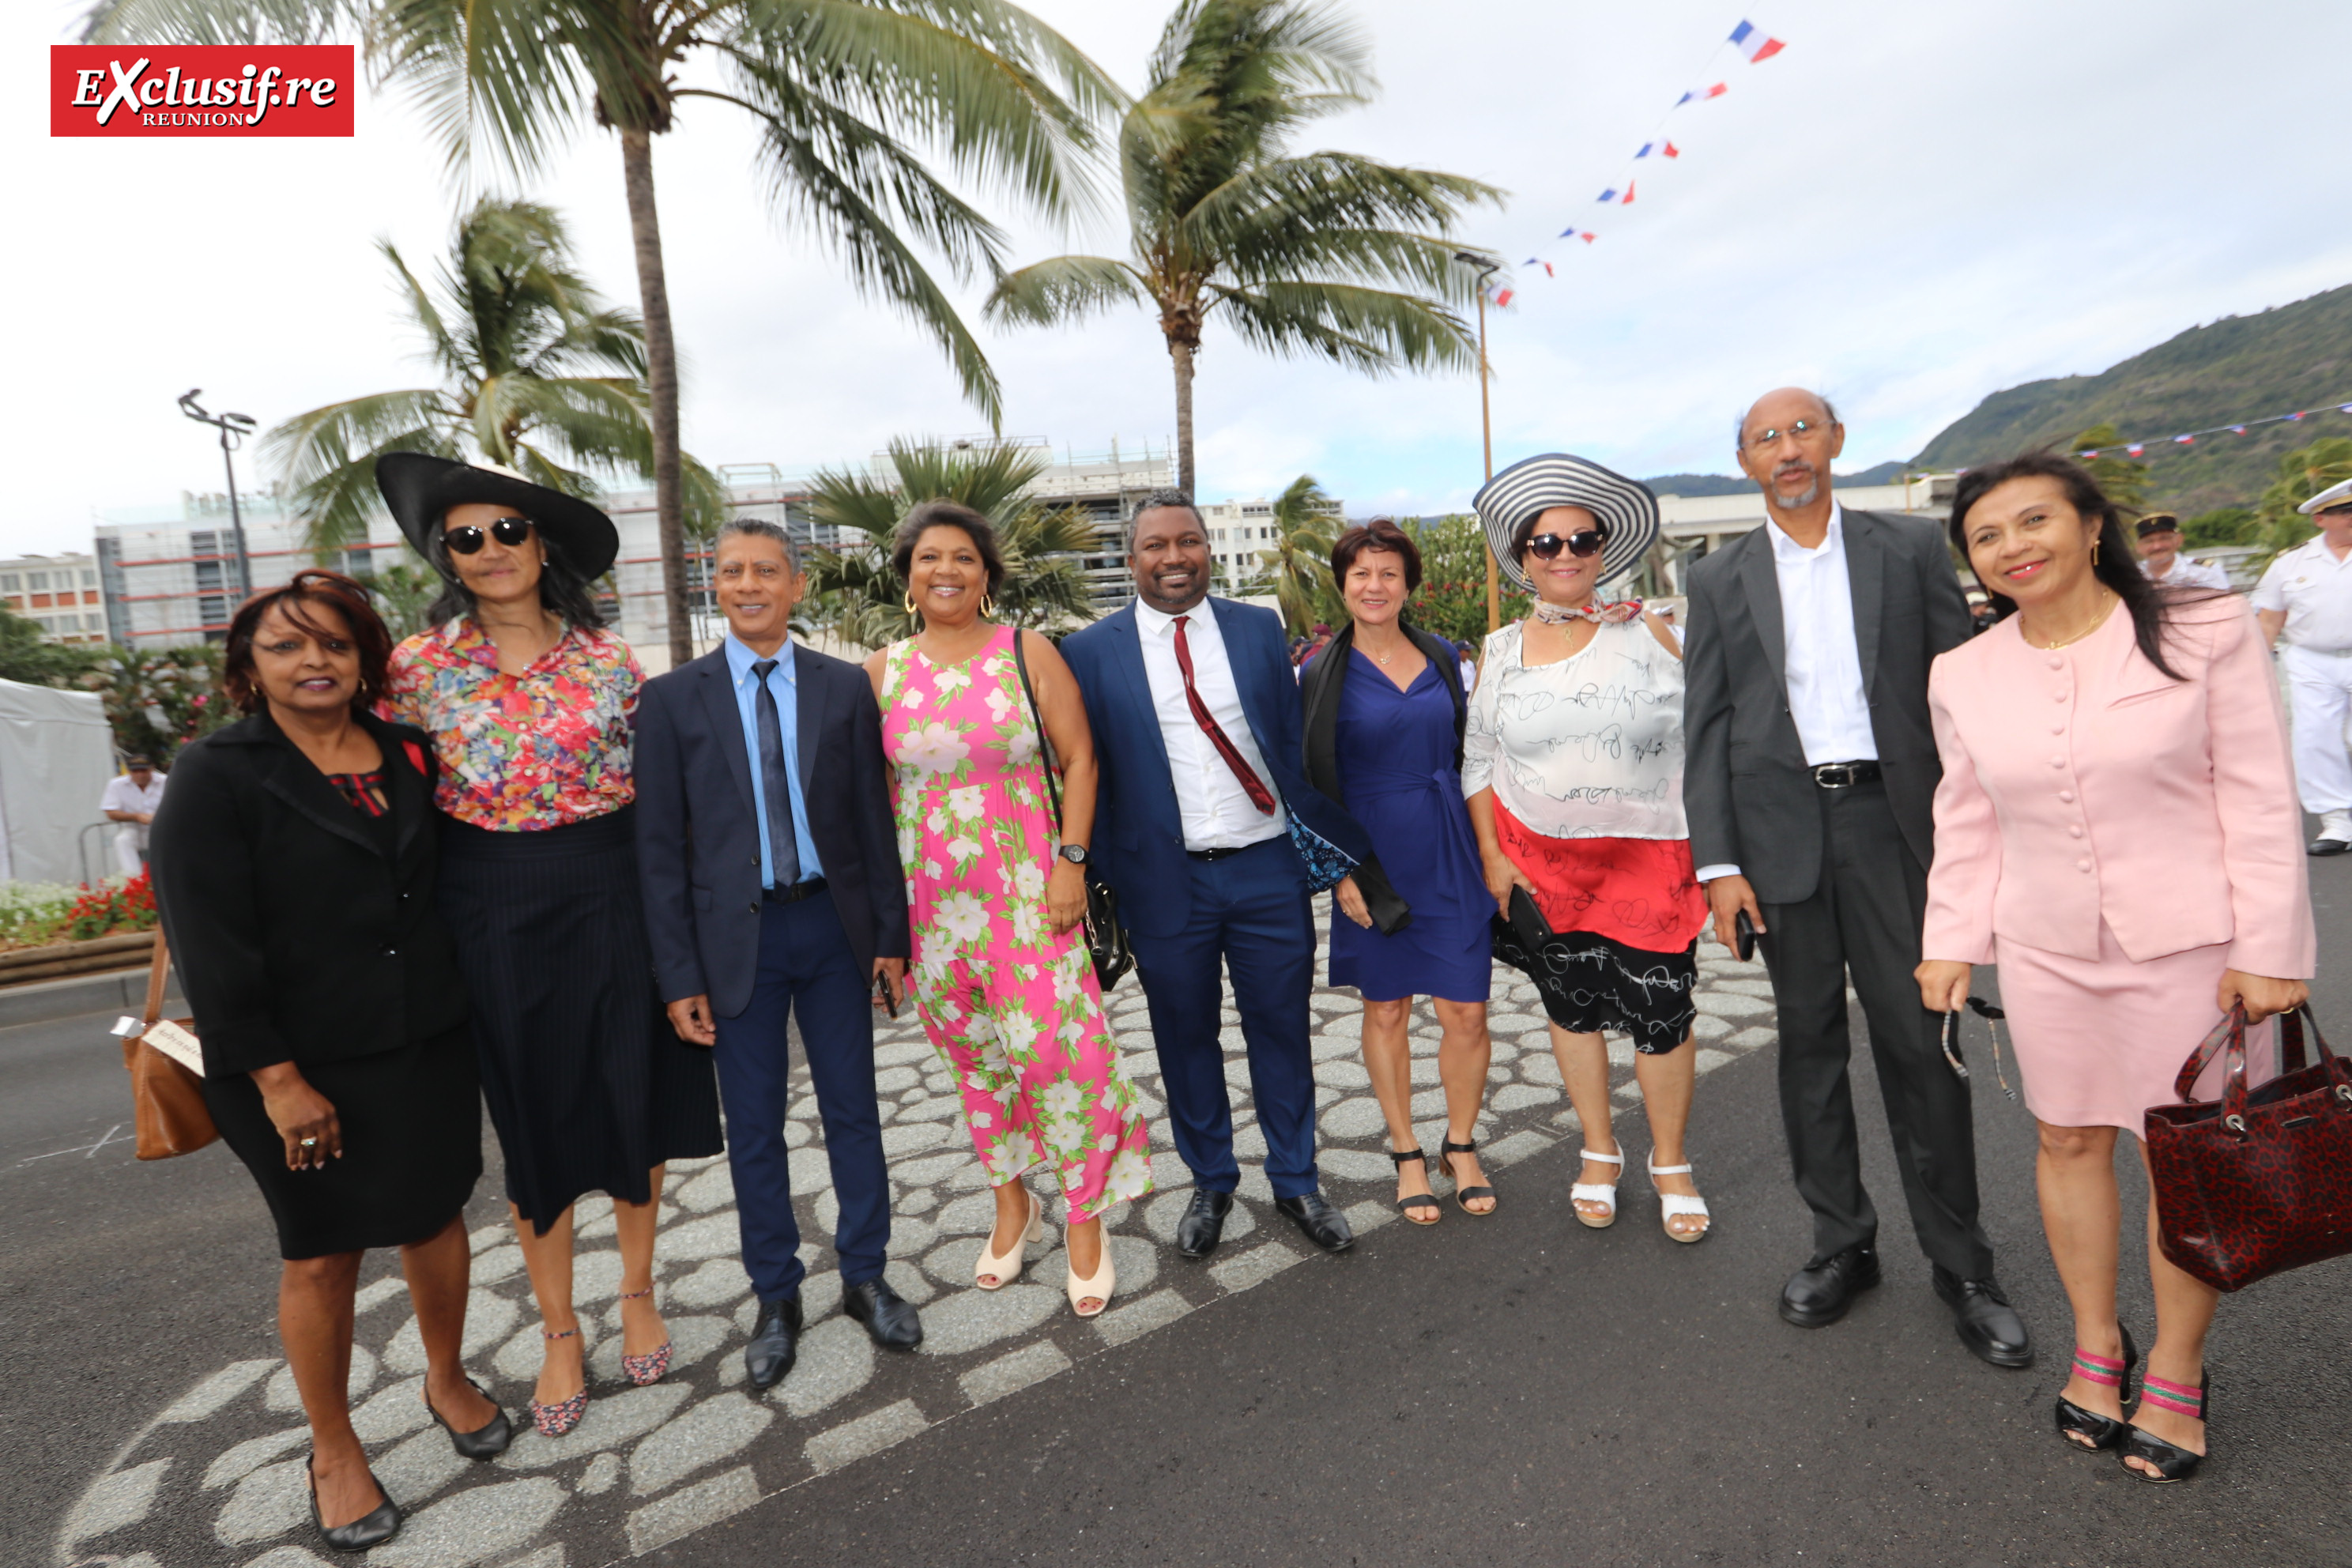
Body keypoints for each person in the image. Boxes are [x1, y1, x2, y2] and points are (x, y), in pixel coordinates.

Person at [1916, 452, 2310, 1482]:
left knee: (2180, 1155)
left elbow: (2259, 794)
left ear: (2094, 526)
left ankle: (2178, 1370)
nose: (2014, 547)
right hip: (2048, 950)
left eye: (2034, 519)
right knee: (2067, 1140)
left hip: (2196, 950)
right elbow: (1966, 815)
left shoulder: (2203, 629)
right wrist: (1949, 938)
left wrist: (2270, 948)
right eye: (1988, 536)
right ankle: (2100, 1345)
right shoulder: (1963, 671)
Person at [151, 571, 507, 1553]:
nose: (314, 660)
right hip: (294, 1065)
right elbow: (207, 940)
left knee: (436, 1218)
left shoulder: (406, 750)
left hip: (425, 1037)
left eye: (336, 645)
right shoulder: (214, 772)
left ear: (363, 662)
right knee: (322, 1249)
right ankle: (334, 1445)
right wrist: (277, 1079)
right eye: (287, 646)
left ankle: (445, 1377)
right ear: (248, 668)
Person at [1682, 388, 2031, 1365]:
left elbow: (1962, 690)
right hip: (1779, 840)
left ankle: (1963, 1264)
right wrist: (1718, 865)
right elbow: (1705, 727)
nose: (1787, 449)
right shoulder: (1716, 581)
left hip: (1895, 827)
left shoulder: (1910, 548)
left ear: (1835, 441)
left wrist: (1984, 832)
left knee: (1924, 1049)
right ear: (1744, 461)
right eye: (1765, 438)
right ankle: (1843, 1243)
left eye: (1802, 430)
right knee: (1810, 1054)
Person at [377, 454, 722, 1436]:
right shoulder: (416, 666)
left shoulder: (611, 661)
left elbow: (661, 808)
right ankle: (560, 1330)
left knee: (634, 1092)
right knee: (535, 1110)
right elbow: (393, 805)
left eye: (507, 532)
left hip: (613, 888)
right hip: (487, 900)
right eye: (465, 539)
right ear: (446, 557)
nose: (489, 551)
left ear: (542, 544)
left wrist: (684, 934)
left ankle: (641, 1290)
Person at [636, 518, 923, 1383]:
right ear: (713, 586)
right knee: (755, 1127)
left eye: (768, 570)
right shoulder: (672, 698)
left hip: (833, 931)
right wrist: (676, 974)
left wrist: (889, 939)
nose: (751, 583)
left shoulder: (842, 687)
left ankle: (865, 1276)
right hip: (738, 943)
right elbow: (656, 847)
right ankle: (776, 1294)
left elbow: (874, 822)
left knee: (853, 1112)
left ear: (797, 587)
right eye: (733, 571)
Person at [1061, 490, 1374, 1259]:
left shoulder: (1259, 628)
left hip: (1266, 870)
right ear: (1130, 558)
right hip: (1165, 882)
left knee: (1281, 1030)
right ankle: (1212, 1178)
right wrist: (1094, 872)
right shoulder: (1090, 653)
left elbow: (1298, 737)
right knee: (1184, 1037)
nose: (1174, 556)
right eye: (1156, 545)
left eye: (1189, 541)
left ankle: (1297, 1179)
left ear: (1207, 549)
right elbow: (1079, 765)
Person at [867, 501, 1154, 1315]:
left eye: (962, 557)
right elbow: (879, 797)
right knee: (981, 1067)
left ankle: (1086, 1219)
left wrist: (1070, 863)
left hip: (1033, 900)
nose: (945, 570)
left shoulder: (1026, 652)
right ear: (909, 577)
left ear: (987, 574)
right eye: (929, 558)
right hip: (933, 910)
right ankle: (1011, 1201)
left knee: (1066, 1060)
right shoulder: (881, 674)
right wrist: (890, 924)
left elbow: (1080, 757)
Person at [1463, 457, 1711, 1242]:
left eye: (1581, 537)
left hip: (1653, 860)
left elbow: (1716, 731)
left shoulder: (1659, 626)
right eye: (1544, 542)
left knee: (1661, 1013)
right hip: (1543, 864)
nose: (1563, 551)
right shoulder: (1499, 649)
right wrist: (1493, 856)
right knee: (1571, 1013)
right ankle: (1599, 1150)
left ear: (1604, 548)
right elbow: (1477, 759)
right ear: (1523, 556)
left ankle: (1670, 1162)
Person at [1298, 519, 1493, 1223]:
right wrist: (1340, 873)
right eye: (1361, 574)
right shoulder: (1320, 672)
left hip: (1450, 846)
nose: (1374, 586)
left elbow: (1476, 755)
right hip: (1372, 857)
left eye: (1388, 573)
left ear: (1408, 584)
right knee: (1387, 1007)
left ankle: (1461, 1144)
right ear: (1343, 584)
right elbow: (1311, 782)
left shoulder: (1444, 656)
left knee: (1466, 1010)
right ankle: (1408, 1151)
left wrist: (1492, 850)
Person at [2252, 477, 2352, 855]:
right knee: (2315, 737)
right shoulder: (2289, 563)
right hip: (2312, 660)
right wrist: (2257, 669)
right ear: (2321, 519)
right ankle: (2338, 822)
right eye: (2346, 512)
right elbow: (2268, 621)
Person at [100, 754, 166, 876]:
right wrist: (137, 817)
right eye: (135, 771)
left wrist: (159, 816)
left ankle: (169, 878)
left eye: (144, 770)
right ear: (129, 771)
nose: (140, 775)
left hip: (164, 828)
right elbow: (111, 812)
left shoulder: (166, 781)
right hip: (134, 828)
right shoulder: (116, 784)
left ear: (152, 768)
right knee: (123, 840)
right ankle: (135, 880)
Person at [2132, 514, 2230, 592]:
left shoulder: (2206, 571)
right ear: (2138, 547)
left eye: (2164, 538)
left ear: (2179, 540)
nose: (2157, 546)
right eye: (2149, 541)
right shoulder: (2131, 576)